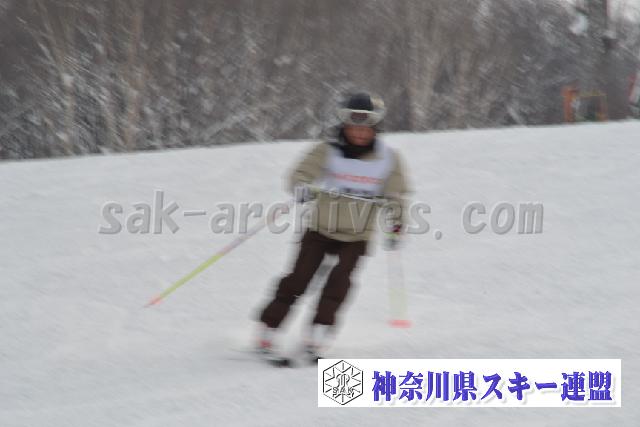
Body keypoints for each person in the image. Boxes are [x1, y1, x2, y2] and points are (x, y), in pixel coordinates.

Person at [256, 92, 410, 361]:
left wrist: (396, 223)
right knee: (298, 278)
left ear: (375, 128)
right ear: (344, 125)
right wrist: (302, 188)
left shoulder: (388, 159)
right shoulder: (326, 151)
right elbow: (299, 175)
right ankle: (268, 329)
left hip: (357, 235)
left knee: (339, 283)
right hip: (320, 229)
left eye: (366, 127)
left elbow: (397, 195)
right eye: (353, 126)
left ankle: (317, 334)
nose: (359, 133)